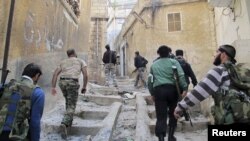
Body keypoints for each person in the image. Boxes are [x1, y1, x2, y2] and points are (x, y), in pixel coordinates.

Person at [174, 45, 240, 123]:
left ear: (223, 55)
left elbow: (199, 92)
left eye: (217, 52)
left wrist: (180, 106)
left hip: (230, 117)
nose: (214, 55)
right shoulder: (239, 71)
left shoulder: (219, 70)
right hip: (243, 114)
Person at [149, 45, 188, 141]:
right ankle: (171, 136)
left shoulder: (154, 65)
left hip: (159, 91)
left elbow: (150, 80)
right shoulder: (174, 62)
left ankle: (161, 138)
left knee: (161, 115)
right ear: (169, 53)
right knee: (173, 113)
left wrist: (152, 93)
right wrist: (185, 88)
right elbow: (181, 76)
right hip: (172, 90)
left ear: (158, 53)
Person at [0, 63, 45, 141]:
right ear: (37, 75)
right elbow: (35, 122)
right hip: (18, 135)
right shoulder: (37, 92)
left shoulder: (5, 85)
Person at [51, 49, 88, 138]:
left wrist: (53, 87)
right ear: (75, 53)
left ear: (68, 55)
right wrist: (84, 87)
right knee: (72, 105)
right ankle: (64, 123)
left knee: (68, 101)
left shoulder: (63, 62)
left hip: (62, 83)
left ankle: (68, 125)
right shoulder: (80, 61)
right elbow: (85, 75)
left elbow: (55, 74)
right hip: (72, 82)